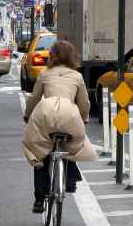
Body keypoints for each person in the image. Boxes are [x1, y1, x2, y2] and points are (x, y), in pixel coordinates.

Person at [22, 40, 97, 213]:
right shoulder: (77, 76)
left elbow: (34, 98)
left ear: (52, 55)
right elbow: (84, 103)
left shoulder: (45, 74)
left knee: (39, 151)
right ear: (72, 56)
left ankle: (39, 198)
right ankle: (70, 180)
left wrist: (27, 115)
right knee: (71, 146)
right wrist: (84, 118)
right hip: (70, 114)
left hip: (46, 113)